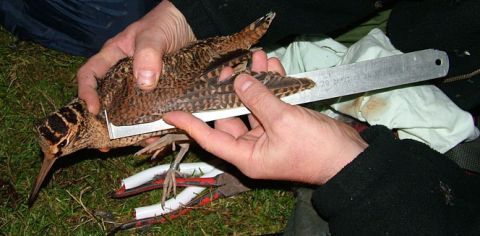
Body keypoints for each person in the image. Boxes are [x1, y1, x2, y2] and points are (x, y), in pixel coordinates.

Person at [2, 0, 479, 234]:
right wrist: (186, 14)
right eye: (54, 150)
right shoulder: (106, 110)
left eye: (57, 150)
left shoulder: (122, 110)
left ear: (78, 133)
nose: (52, 159)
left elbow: (195, 96)